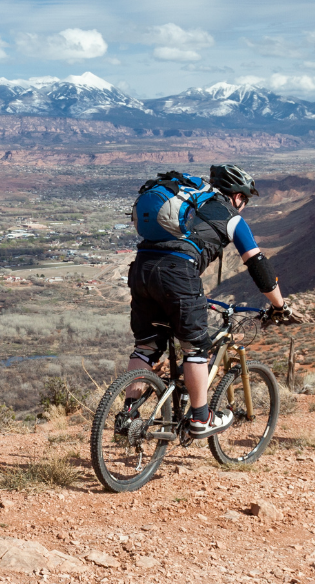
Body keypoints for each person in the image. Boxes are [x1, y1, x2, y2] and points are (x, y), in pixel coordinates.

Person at [125, 164, 293, 437]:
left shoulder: (192, 202)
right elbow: (259, 266)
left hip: (141, 270)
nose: (244, 206)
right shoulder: (231, 217)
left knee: (145, 347)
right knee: (195, 351)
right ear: (237, 196)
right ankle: (201, 418)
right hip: (178, 276)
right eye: (245, 200)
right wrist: (279, 306)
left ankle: (128, 414)